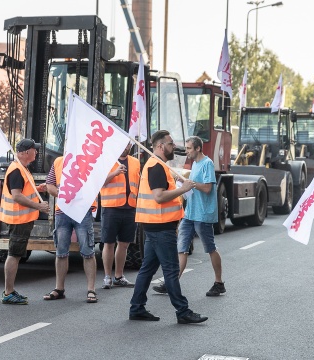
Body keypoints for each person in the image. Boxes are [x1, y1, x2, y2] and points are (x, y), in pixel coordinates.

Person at [129, 130, 208, 324]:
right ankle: (183, 312)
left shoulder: (160, 165)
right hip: (160, 226)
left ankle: (136, 308)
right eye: (170, 144)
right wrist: (183, 189)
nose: (174, 147)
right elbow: (158, 196)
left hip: (156, 225)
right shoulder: (156, 166)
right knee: (171, 270)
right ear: (159, 146)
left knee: (147, 269)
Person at [153, 136, 225, 297]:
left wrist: (189, 183)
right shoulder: (195, 164)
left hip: (203, 214)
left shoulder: (207, 163)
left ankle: (219, 282)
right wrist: (184, 181)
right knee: (182, 248)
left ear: (198, 148)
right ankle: (170, 283)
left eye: (189, 148)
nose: (186, 151)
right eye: (186, 148)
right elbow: (192, 185)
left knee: (210, 248)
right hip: (190, 214)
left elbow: (207, 188)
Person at [0, 138, 49, 305]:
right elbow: (17, 195)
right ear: (25, 152)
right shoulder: (16, 170)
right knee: (14, 254)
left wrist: (38, 189)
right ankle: (8, 292)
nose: (36, 152)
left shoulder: (22, 168)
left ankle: (10, 291)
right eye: (34, 149)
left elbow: (24, 191)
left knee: (16, 254)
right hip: (18, 219)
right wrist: (39, 206)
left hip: (21, 218)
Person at [44, 156, 98, 303]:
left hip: (83, 211)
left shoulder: (89, 159)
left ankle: (91, 289)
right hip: (63, 211)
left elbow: (97, 182)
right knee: (61, 252)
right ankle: (59, 289)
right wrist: (64, 196)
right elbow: (50, 185)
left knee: (88, 251)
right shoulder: (58, 161)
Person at [100, 143, 139, 289]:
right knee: (109, 243)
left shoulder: (135, 162)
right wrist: (114, 173)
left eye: (128, 144)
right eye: (122, 144)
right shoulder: (107, 161)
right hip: (111, 207)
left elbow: (139, 184)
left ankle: (119, 276)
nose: (125, 147)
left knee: (124, 244)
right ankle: (107, 276)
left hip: (130, 207)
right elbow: (98, 183)